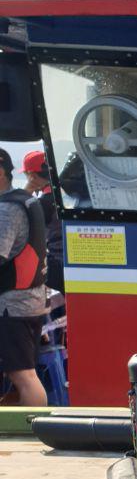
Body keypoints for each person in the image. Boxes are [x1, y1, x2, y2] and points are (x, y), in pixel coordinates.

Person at [0, 148, 48, 406]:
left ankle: (35, 433)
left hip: (12, 305)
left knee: (23, 375)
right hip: (33, 300)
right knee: (20, 375)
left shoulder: (7, 209)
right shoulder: (26, 200)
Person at [21, 150, 64, 295]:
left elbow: (15, 218)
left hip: (58, 268)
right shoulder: (64, 194)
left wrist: (27, 190)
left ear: (32, 176)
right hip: (75, 263)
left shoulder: (43, 203)